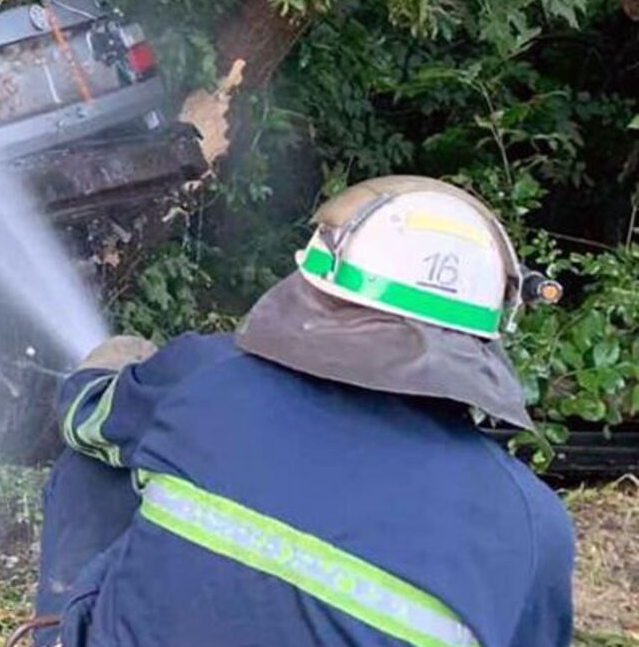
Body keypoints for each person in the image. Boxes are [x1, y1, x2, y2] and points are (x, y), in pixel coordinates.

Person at [33, 175, 574, 647]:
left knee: (94, 464)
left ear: (319, 286)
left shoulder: (204, 376)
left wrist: (105, 372)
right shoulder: (532, 527)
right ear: (481, 339)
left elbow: (84, 418)